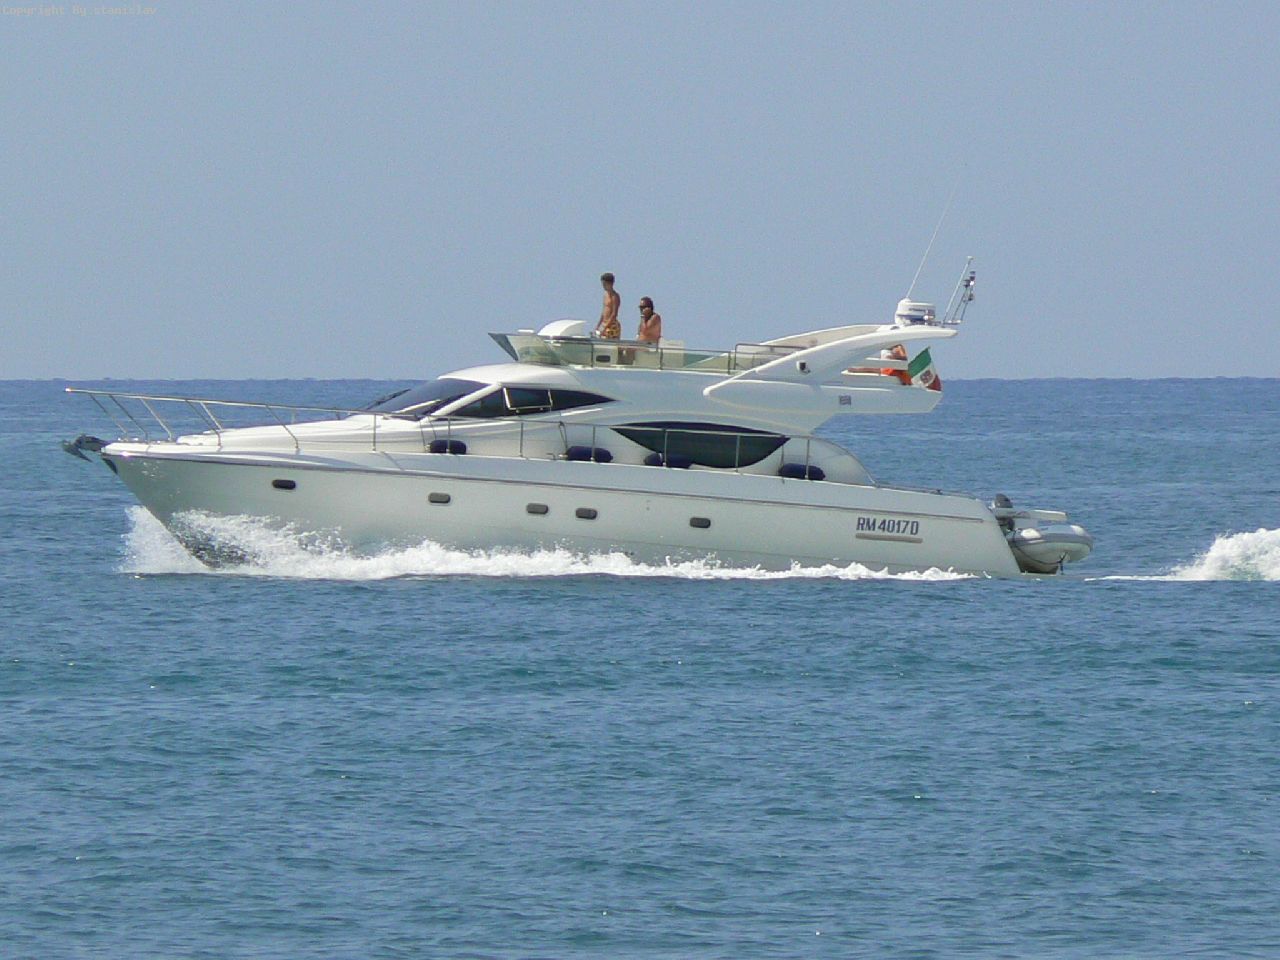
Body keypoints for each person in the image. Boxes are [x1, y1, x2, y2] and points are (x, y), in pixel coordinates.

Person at [595, 273, 621, 339]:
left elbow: (614, 314)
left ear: (610, 283)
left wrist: (605, 327)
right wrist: (598, 325)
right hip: (604, 323)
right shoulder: (605, 295)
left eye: (604, 284)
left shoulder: (615, 296)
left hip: (611, 325)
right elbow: (603, 311)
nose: (603, 286)